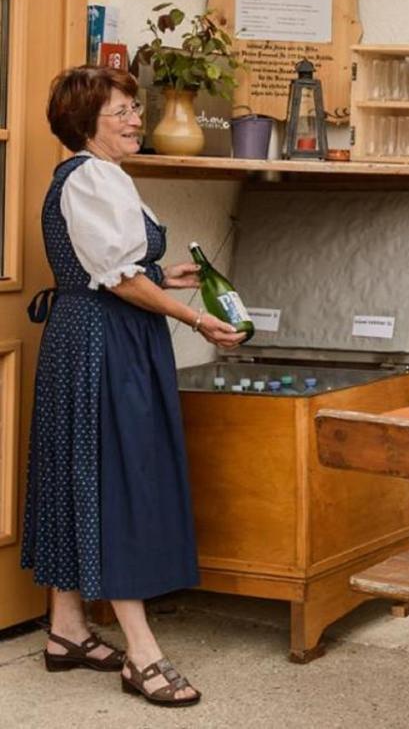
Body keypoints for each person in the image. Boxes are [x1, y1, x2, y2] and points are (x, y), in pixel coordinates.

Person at [22, 66, 245, 706]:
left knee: (81, 471)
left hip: (93, 334)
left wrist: (161, 275)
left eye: (132, 107)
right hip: (101, 342)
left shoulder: (102, 177)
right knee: (116, 477)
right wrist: (198, 316)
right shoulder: (90, 177)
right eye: (119, 110)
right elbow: (116, 280)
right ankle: (141, 654)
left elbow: (118, 267)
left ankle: (67, 629)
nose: (132, 119)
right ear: (84, 122)